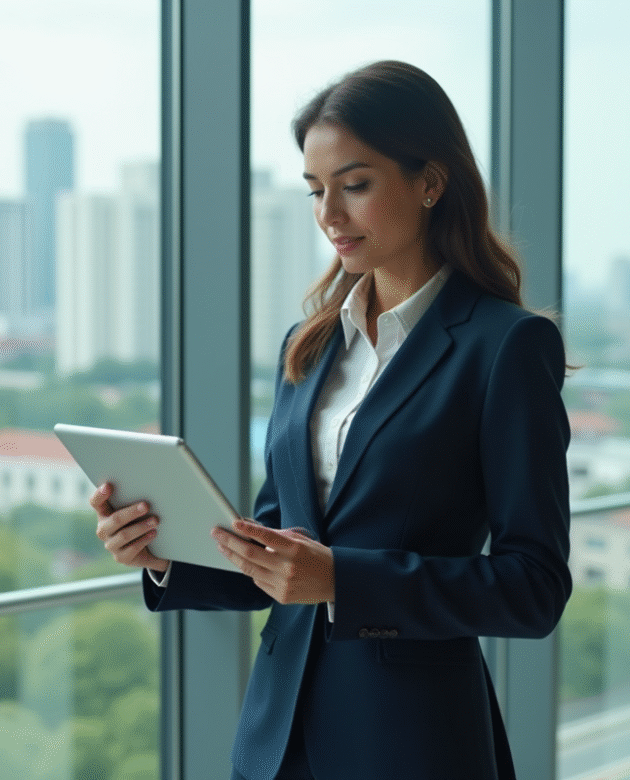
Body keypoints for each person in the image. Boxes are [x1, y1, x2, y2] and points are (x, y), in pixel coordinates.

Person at [91, 60, 571, 780]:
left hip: (410, 745)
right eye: (317, 191)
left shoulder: (504, 347)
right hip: (277, 739)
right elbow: (279, 554)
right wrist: (162, 555)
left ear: (431, 182)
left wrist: (344, 579)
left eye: (355, 185)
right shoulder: (308, 345)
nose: (329, 215)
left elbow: (533, 588)